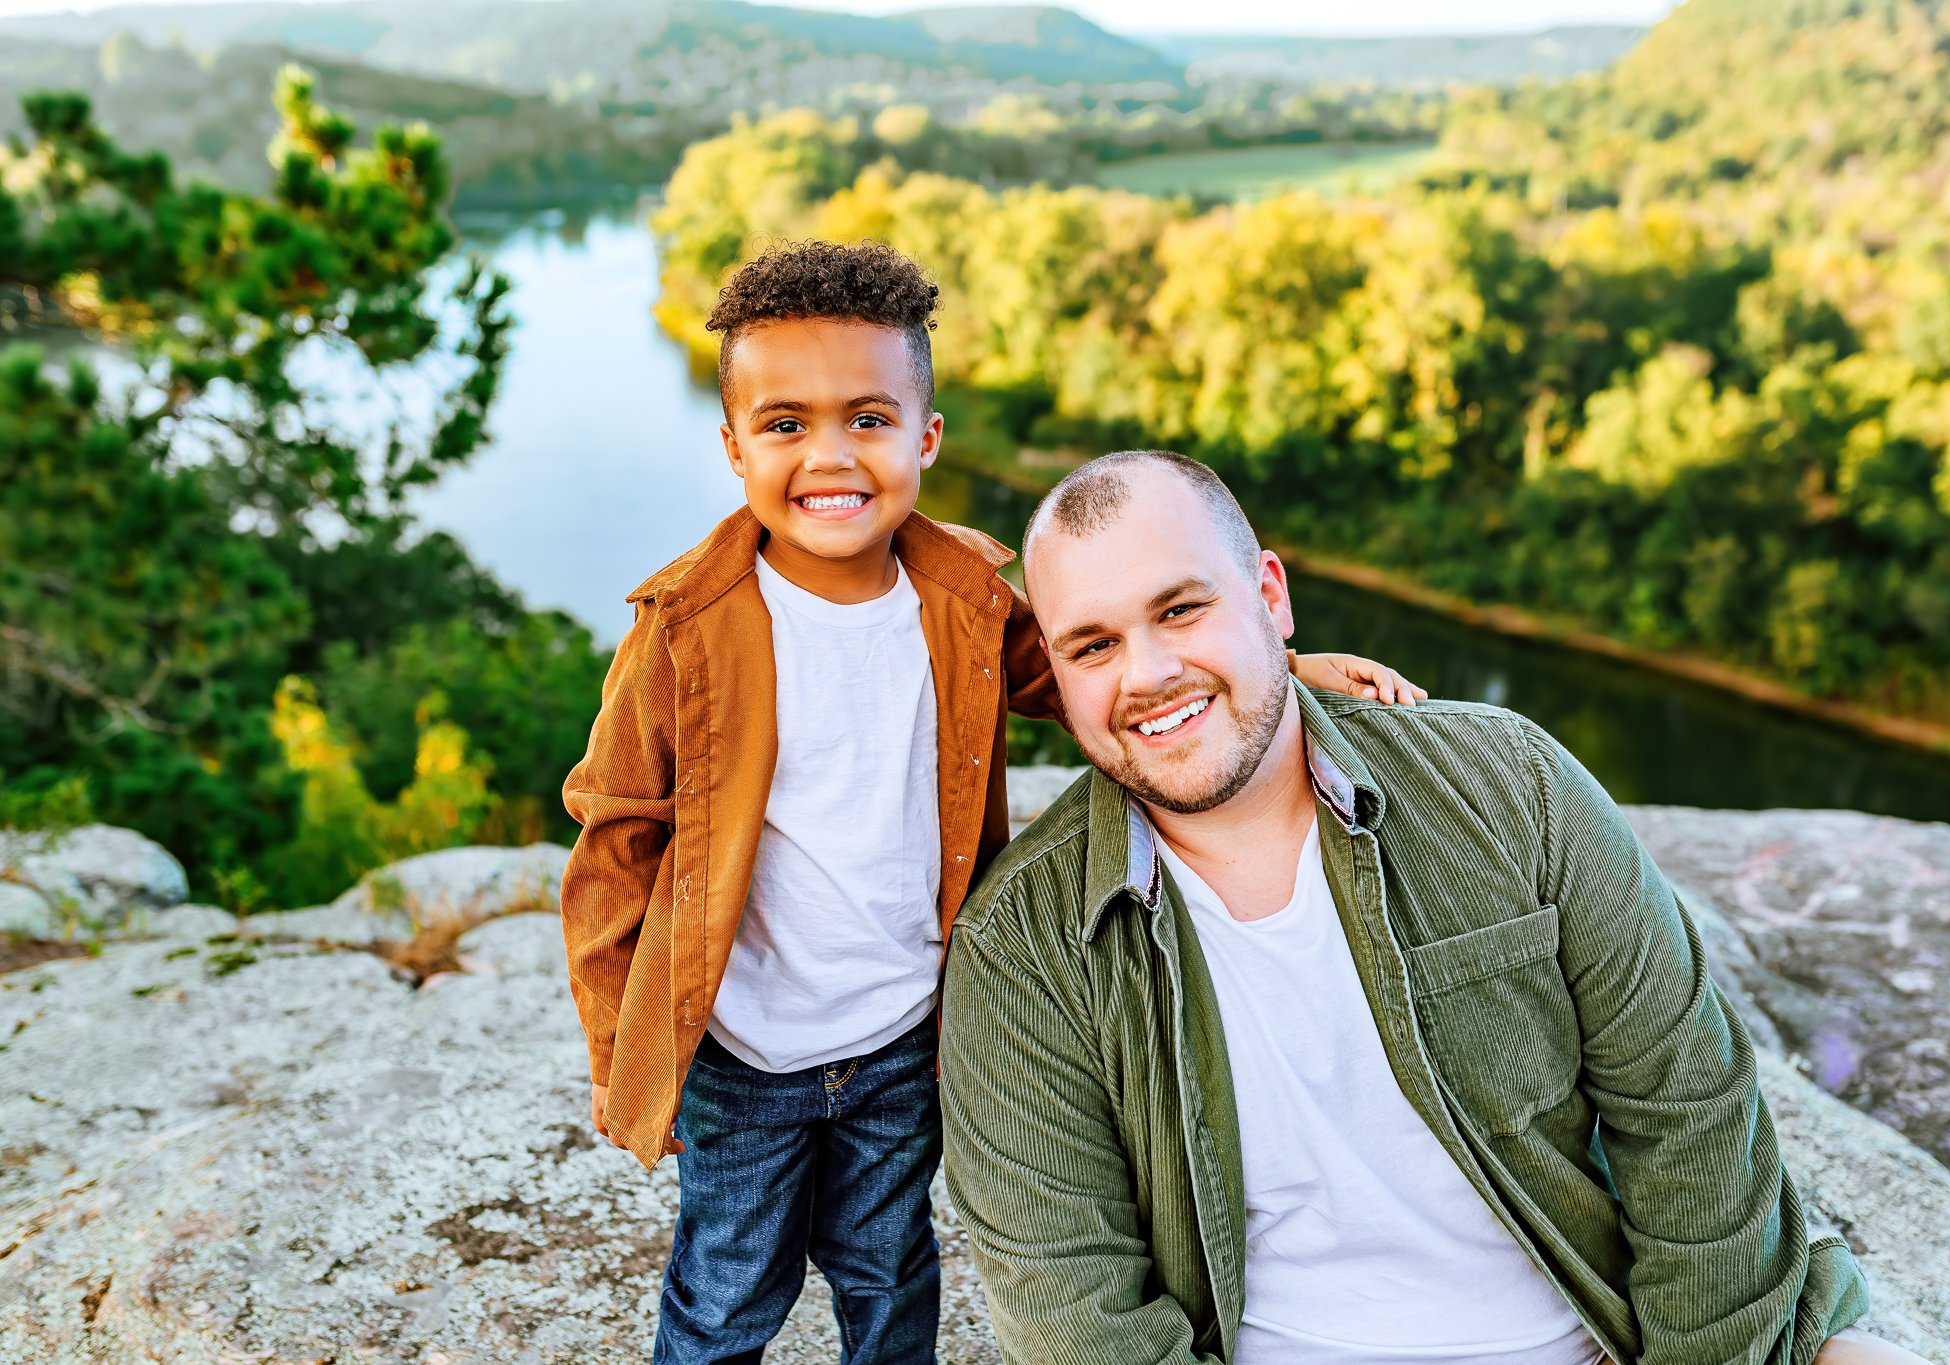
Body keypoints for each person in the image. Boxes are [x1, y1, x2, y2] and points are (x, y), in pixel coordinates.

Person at [557, 244, 1420, 1365]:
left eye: (867, 418)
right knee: (728, 1286)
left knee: (888, 1268)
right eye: (784, 425)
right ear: (732, 447)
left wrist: (1279, 670)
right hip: (742, 1051)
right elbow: (616, 840)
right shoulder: (682, 629)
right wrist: (624, 1053)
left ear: (924, 436)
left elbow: (1085, 675)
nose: (829, 455)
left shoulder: (961, 595)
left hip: (904, 1036)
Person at [939, 448, 1930, 1365]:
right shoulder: (1022, 948)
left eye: (1181, 610)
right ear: (1055, 675)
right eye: (1091, 644)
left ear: (1271, 598)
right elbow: (1072, 1307)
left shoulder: (1509, 784)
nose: (1146, 674)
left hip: (1606, 1329)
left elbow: (1686, 1106)